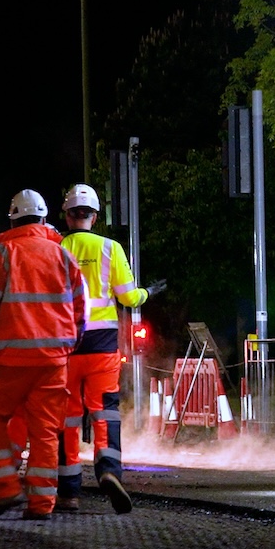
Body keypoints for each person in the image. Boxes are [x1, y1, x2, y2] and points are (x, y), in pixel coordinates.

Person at [0, 189, 85, 521]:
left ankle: (5, 487)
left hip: (7, 360)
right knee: (45, 430)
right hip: (52, 361)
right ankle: (42, 504)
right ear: (44, 220)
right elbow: (79, 310)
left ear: (13, 219)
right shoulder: (63, 256)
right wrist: (66, 346)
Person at [53, 182, 164, 514]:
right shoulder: (110, 248)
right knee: (105, 413)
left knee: (68, 419)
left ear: (67, 215)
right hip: (102, 346)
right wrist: (148, 293)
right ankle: (109, 472)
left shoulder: (55, 249)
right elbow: (129, 297)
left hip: (66, 346)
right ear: (95, 217)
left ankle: (69, 493)